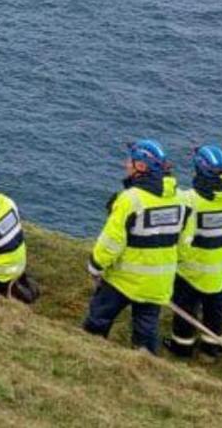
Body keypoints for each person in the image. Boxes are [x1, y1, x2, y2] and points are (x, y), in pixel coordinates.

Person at [82, 139, 189, 354]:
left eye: (130, 161)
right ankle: (147, 365)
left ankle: (90, 354)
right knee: (146, 329)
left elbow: (112, 241)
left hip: (122, 278)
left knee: (98, 319)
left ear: (141, 167)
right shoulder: (182, 199)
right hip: (159, 281)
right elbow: (185, 241)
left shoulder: (130, 199)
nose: (125, 164)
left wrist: (96, 266)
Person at [166, 144, 222, 358]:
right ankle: (211, 349)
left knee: (185, 310)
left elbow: (179, 235)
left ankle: (182, 347)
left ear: (198, 170)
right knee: (216, 310)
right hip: (221, 270)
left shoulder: (189, 200)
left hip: (190, 271)